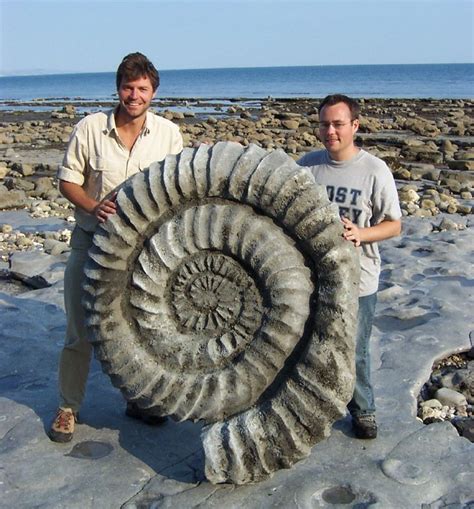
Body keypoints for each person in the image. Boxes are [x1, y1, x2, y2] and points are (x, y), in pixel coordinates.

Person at [49, 52, 183, 442]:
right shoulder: (90, 128)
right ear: (118, 89)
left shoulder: (168, 134)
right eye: (128, 87)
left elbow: (176, 187)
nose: (134, 95)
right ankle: (67, 408)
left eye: (142, 88)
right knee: (80, 327)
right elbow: (67, 181)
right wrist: (93, 205)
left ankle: (138, 399)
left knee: (139, 329)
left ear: (154, 92)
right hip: (91, 242)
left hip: (144, 253)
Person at [298, 94, 401, 439]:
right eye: (325, 124)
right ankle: (313, 408)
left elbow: (394, 225)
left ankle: (364, 412)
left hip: (359, 281)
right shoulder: (307, 166)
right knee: (309, 348)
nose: (331, 131)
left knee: (354, 351)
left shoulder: (374, 170)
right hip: (312, 281)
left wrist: (361, 233)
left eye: (338, 124)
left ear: (354, 126)